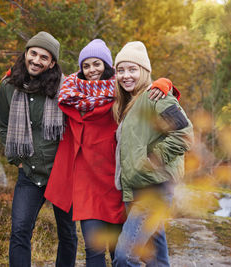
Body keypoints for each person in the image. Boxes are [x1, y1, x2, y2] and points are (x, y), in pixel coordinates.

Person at [44, 39, 174, 267]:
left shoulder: (120, 93)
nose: (92, 70)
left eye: (97, 64)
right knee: (93, 249)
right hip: (87, 183)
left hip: (119, 184)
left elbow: (152, 99)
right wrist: (16, 78)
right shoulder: (70, 95)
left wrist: (164, 83)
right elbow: (39, 86)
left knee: (122, 252)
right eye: (86, 65)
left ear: (107, 66)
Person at [0, 31, 77, 267]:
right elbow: (3, 125)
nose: (36, 60)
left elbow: (102, 85)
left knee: (68, 234)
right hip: (29, 174)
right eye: (33, 53)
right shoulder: (9, 86)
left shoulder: (66, 87)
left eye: (44, 57)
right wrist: (17, 160)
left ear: (52, 63)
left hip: (61, 174)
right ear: (26, 53)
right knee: (20, 231)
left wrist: (160, 85)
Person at [112, 41, 194, 266]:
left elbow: (184, 134)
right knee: (156, 259)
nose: (125, 75)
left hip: (154, 190)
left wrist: (153, 160)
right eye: (120, 70)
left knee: (124, 256)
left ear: (144, 71)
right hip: (136, 191)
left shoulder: (156, 96)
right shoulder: (129, 103)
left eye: (132, 69)